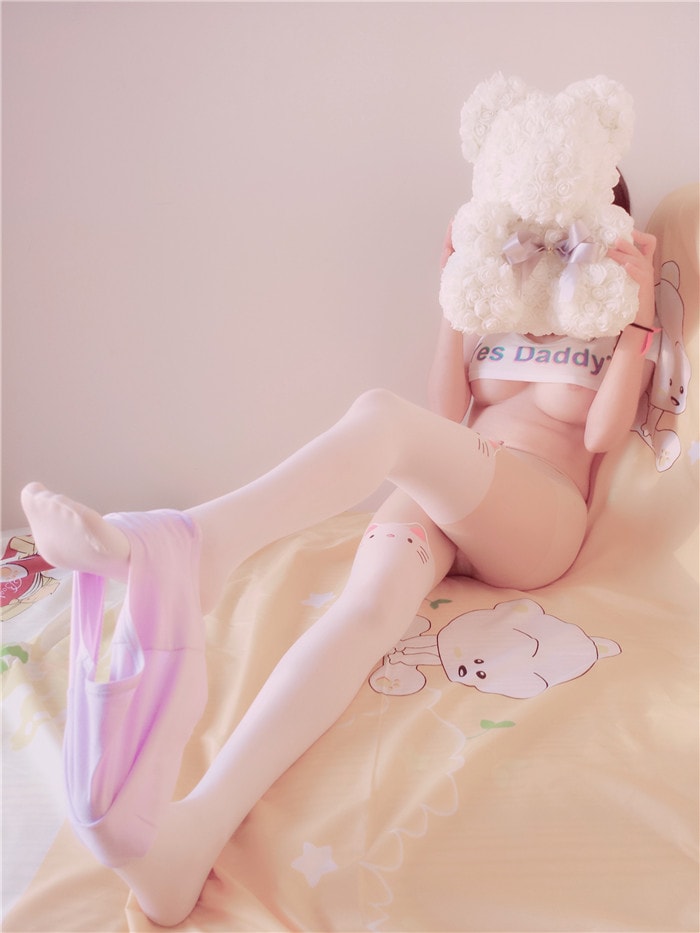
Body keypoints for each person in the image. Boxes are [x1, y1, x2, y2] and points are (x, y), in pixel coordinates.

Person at [21, 192, 656, 926]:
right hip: (453, 494)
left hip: (536, 514)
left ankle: (200, 545)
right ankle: (190, 838)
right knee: (362, 614)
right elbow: (447, 412)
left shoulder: (609, 314)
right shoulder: (504, 301)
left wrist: (637, 320)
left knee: (383, 416)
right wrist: (456, 294)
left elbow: (602, 435)